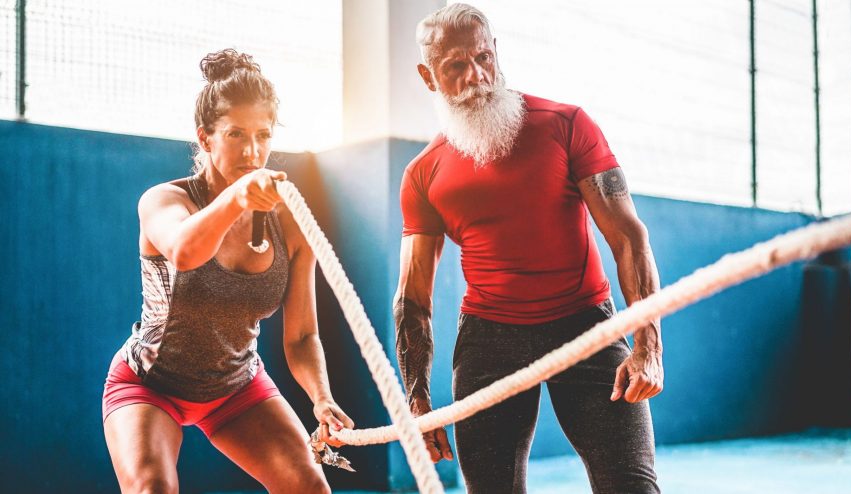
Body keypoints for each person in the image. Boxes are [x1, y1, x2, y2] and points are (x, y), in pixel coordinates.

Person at [394, 4, 663, 493]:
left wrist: (648, 346)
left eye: (482, 57)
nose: (475, 76)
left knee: (633, 486)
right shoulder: (422, 175)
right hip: (488, 339)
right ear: (428, 76)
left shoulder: (566, 124)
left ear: (495, 52)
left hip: (585, 323)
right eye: (455, 66)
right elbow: (413, 297)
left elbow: (629, 237)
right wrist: (418, 404)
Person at [102, 49, 352, 494]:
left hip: (236, 387)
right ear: (206, 137)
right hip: (151, 384)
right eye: (235, 134)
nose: (253, 151)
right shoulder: (164, 200)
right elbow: (183, 251)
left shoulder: (290, 219)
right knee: (151, 487)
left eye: (263, 134)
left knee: (309, 486)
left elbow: (300, 336)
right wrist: (237, 197)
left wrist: (321, 397)